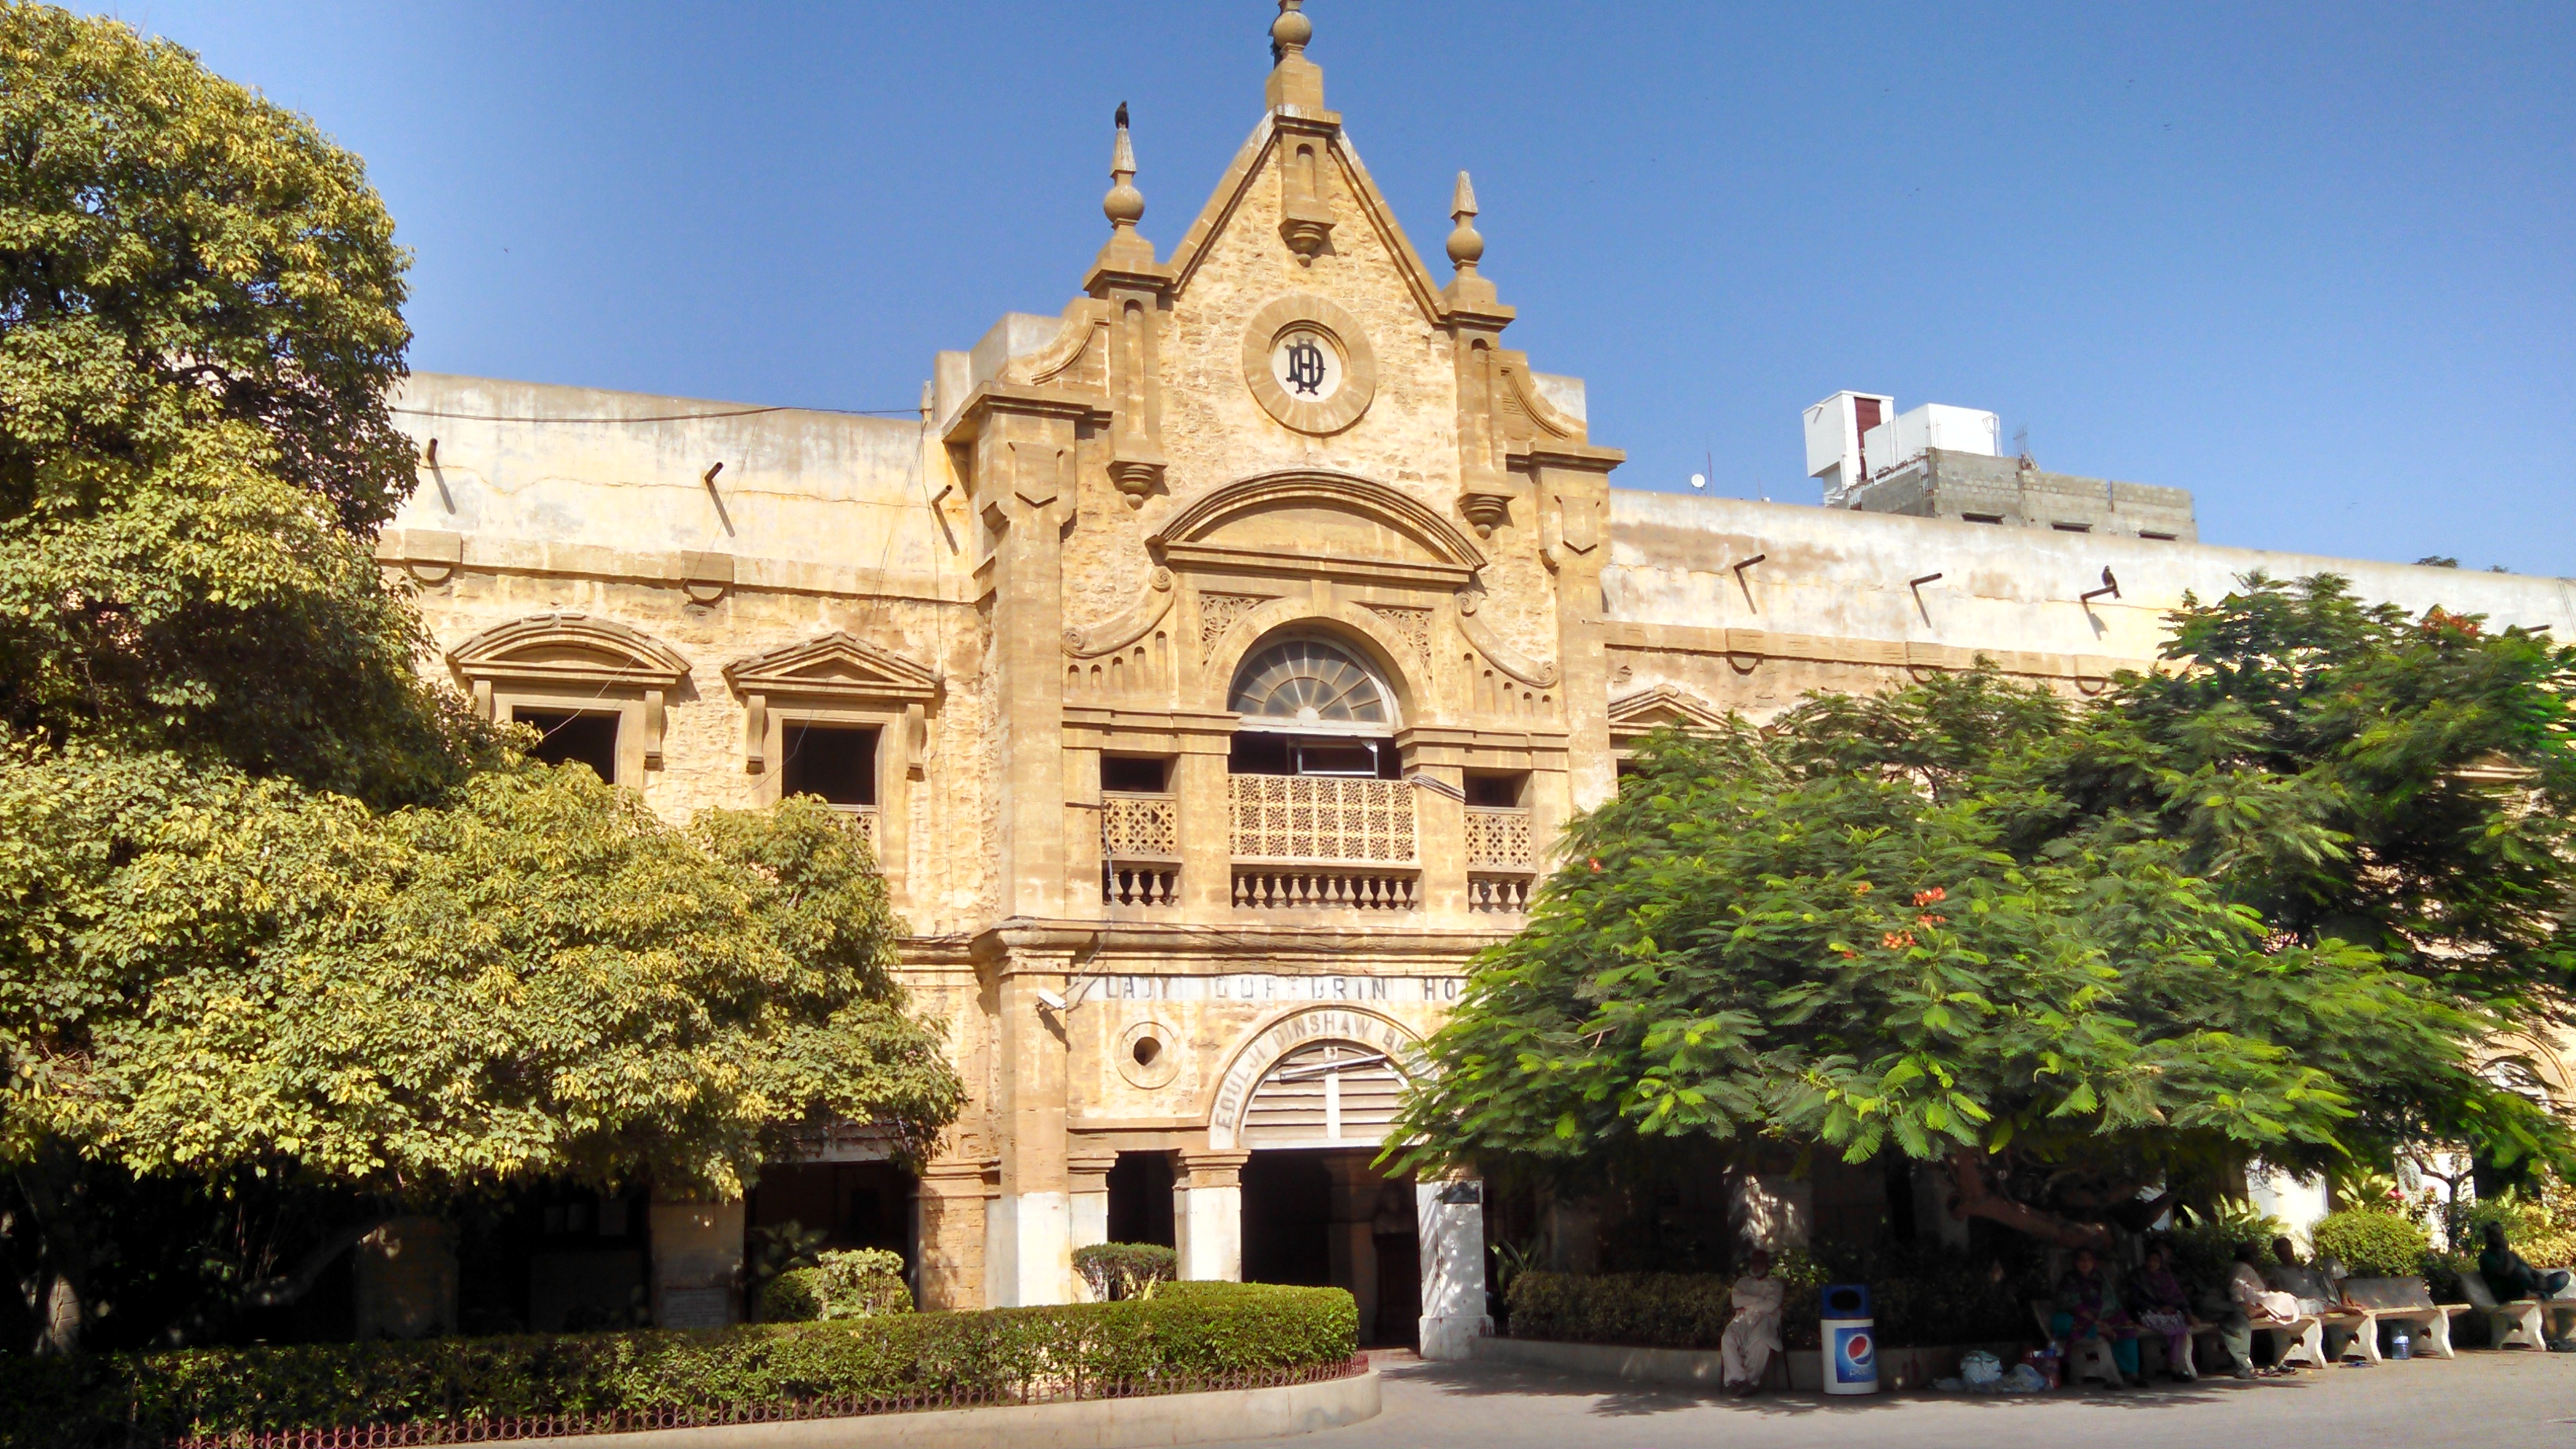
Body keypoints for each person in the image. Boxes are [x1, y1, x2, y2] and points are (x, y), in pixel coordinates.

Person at [2051, 1248, 2143, 1387]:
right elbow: (2075, 1304)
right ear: (2075, 1262)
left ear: (2094, 1263)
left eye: (2089, 1260)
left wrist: (2120, 1318)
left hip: (2102, 1319)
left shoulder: (2100, 1278)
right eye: (2081, 1259)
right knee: (2068, 1323)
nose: (2085, 1263)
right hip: (2075, 1319)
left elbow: (2112, 1301)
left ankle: (2131, 1372)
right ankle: (2100, 1332)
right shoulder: (2069, 1279)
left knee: (2127, 1327)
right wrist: (2096, 1323)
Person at [2226, 1241, 2323, 1374]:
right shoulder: (2241, 1267)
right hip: (2252, 1300)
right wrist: (2241, 1304)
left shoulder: (2245, 1268)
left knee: (2285, 1298)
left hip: (2258, 1298)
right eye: (2255, 1255)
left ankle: (2264, 1309)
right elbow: (2236, 1288)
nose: (2257, 1258)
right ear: (2249, 1256)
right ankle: (2259, 1311)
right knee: (2283, 1298)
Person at [1720, 1249, 1785, 1396]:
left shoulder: (1776, 1285)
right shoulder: (1742, 1283)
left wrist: (1748, 1303)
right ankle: (1740, 1379)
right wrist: (1758, 1300)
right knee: (1727, 1338)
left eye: (1759, 1262)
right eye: (1753, 1262)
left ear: (1767, 1265)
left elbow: (1770, 1306)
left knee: (1760, 1342)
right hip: (1742, 1319)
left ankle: (1750, 1382)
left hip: (1765, 1320)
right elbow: (1736, 1301)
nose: (1755, 1266)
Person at [2128, 1245, 2196, 1380]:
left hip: (2166, 1312)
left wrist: (2188, 1313)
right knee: (2173, 1325)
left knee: (2183, 1325)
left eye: (2156, 1261)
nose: (2152, 1264)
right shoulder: (2138, 1277)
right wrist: (2157, 1309)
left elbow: (2178, 1297)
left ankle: (2174, 1361)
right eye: (2150, 1260)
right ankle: (2172, 1365)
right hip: (2145, 1312)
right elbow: (2135, 1300)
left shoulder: (2166, 1278)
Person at [2477, 1222, 2573, 1302]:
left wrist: (2540, 1279)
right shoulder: (2485, 1257)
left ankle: (2539, 1294)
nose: (2501, 1238)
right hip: (2510, 1293)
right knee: (2519, 1271)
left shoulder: (2511, 1255)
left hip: (2530, 1286)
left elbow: (2530, 1270)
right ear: (2489, 1238)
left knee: (2563, 1276)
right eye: (2497, 1236)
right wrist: (2506, 1251)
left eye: (2502, 1235)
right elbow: (2507, 1273)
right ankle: (2541, 1295)